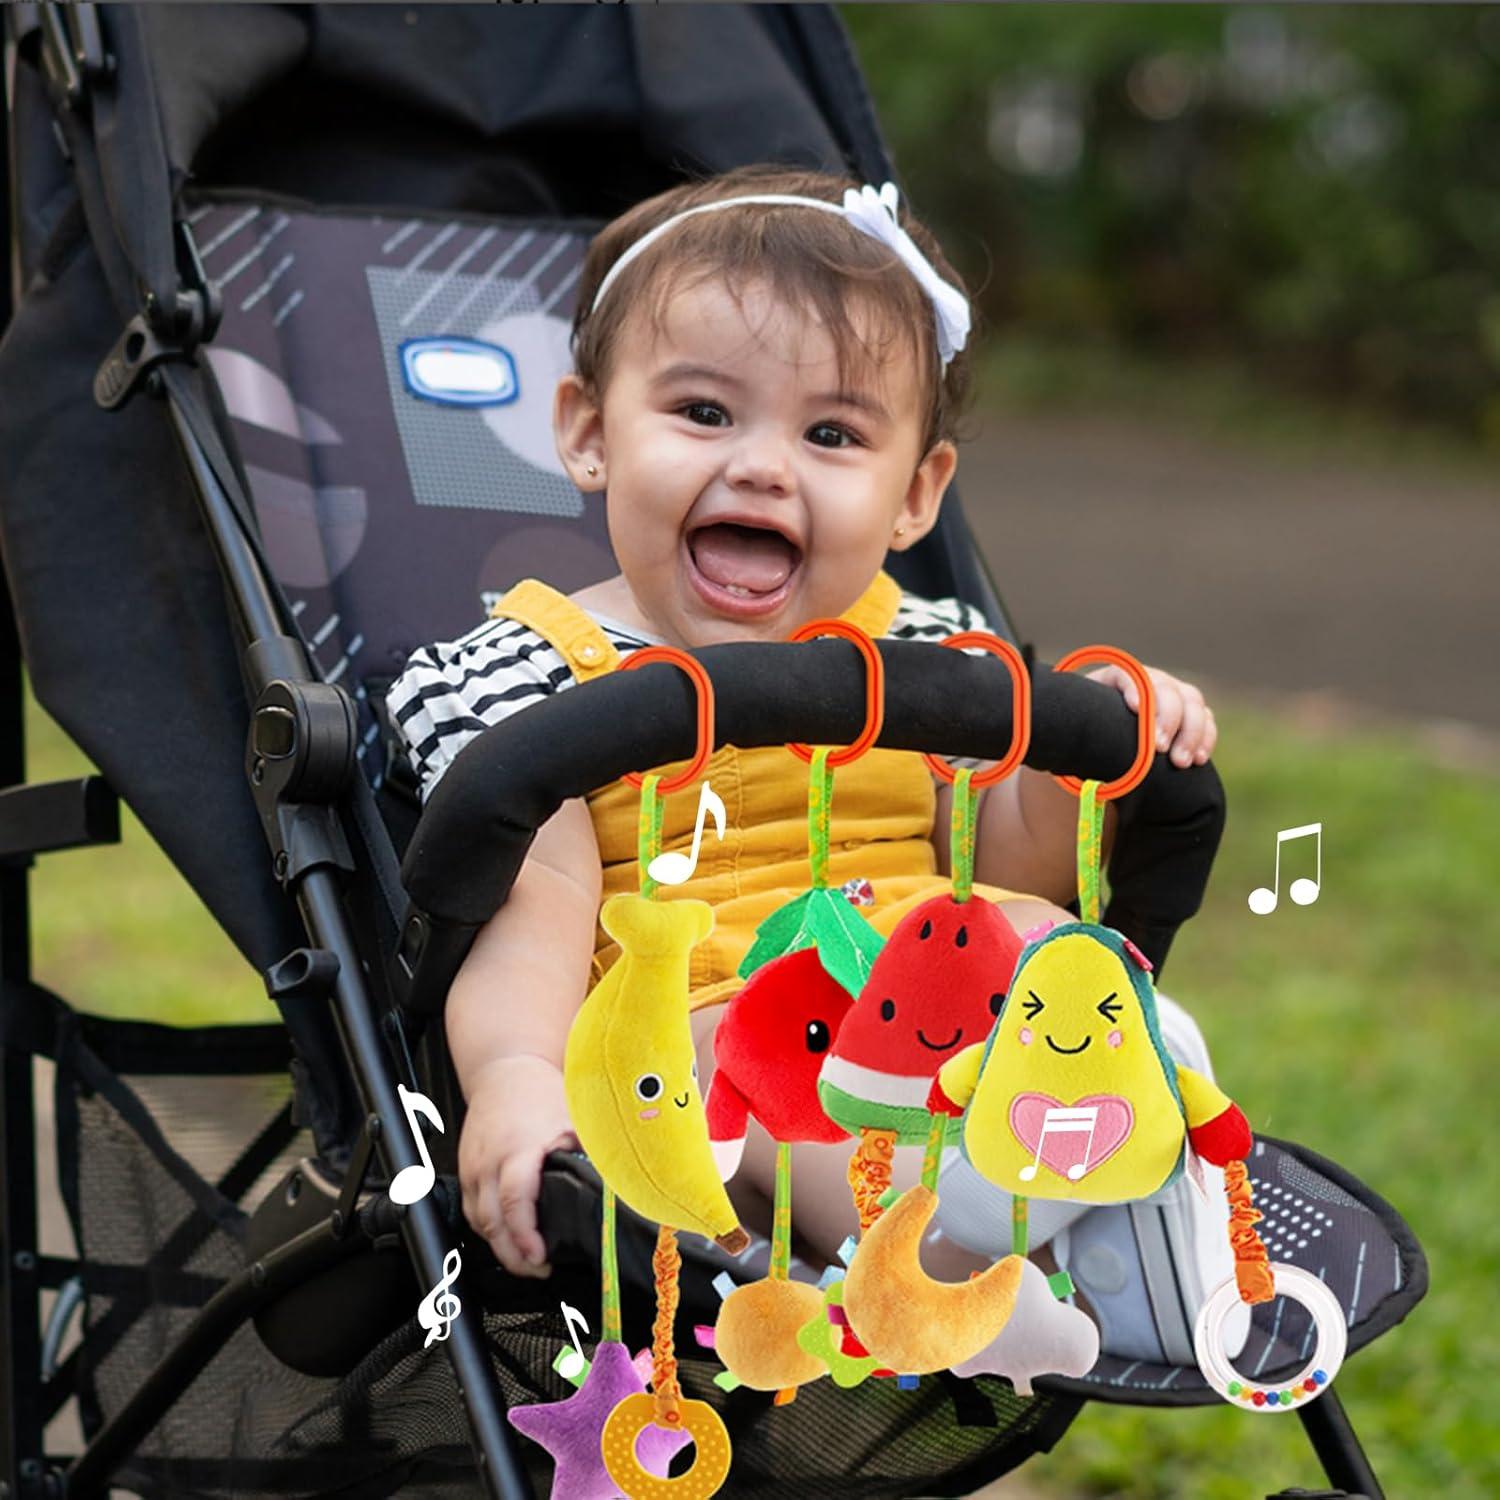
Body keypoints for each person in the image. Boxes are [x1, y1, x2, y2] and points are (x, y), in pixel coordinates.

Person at [386, 167, 1228, 1349]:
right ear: (587, 432)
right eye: (704, 413)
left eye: (831, 434)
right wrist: (518, 1076)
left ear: (915, 495)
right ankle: (958, 1251)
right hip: (720, 1017)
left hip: (951, 1001)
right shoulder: (529, 678)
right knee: (761, 1059)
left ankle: (1113, 1196)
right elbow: (534, 914)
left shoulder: (931, 652)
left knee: (1042, 938)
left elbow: (1015, 865)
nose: (765, 467)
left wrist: (1084, 742)